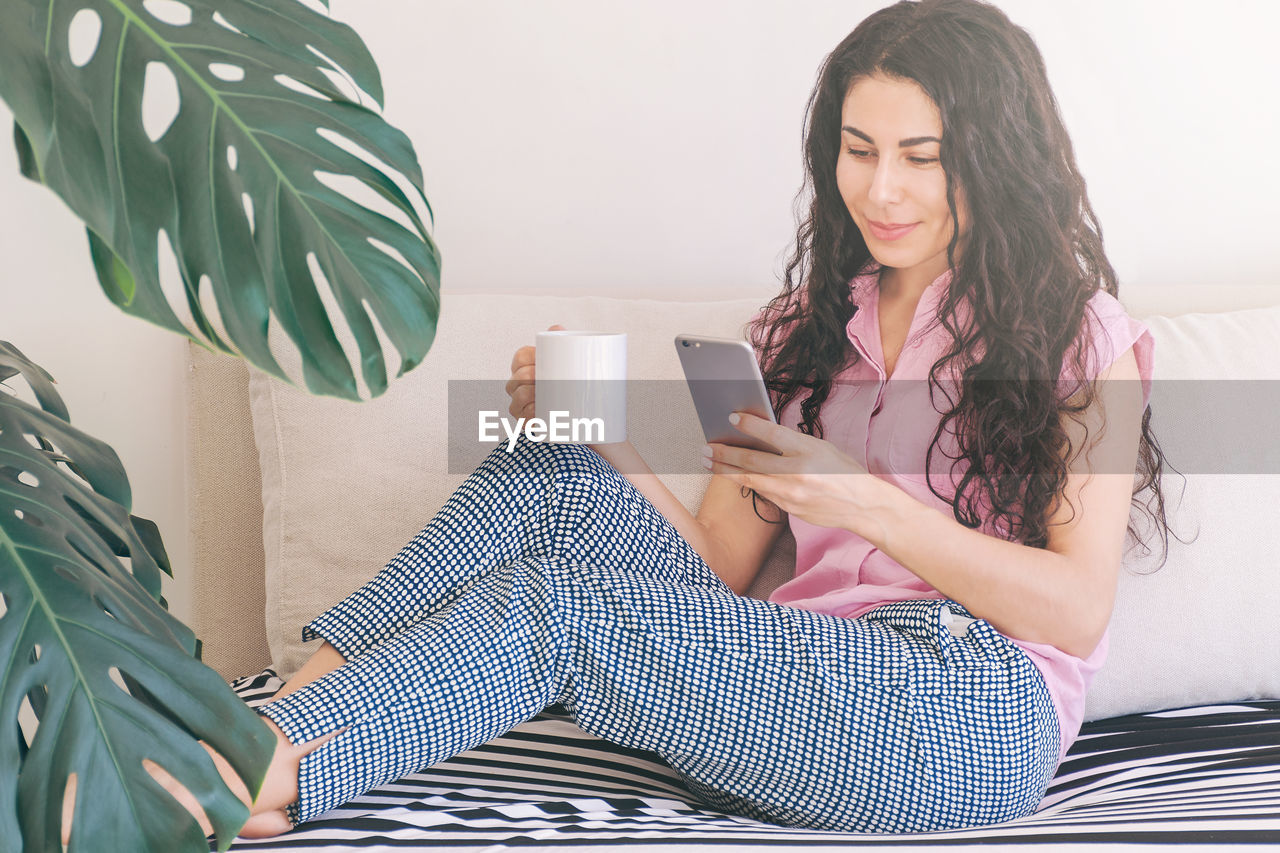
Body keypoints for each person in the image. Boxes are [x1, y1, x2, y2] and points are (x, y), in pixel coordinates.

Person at [136, 0, 1174, 840]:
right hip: (783, 667)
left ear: (990, 161)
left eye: (921, 156)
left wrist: (859, 501)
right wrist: (595, 437)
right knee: (542, 465)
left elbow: (1075, 610)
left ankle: (257, 766)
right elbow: (719, 564)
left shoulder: (1079, 337)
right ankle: (278, 717)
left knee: (556, 609)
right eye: (858, 150)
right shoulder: (800, 332)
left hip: (966, 709)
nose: (882, 188)